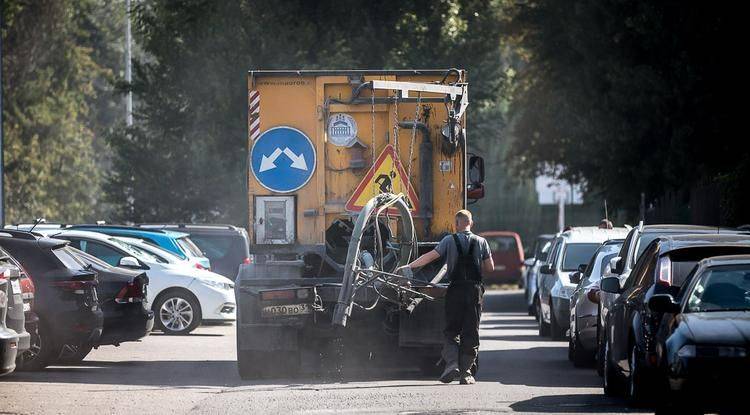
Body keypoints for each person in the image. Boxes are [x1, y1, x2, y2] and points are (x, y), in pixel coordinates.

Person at [397, 209, 494, 384]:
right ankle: (466, 373)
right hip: (474, 291)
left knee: (451, 331)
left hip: (455, 290)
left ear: (456, 224)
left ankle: (452, 364)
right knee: (471, 332)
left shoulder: (449, 240)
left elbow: (430, 257)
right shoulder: (482, 242)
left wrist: (409, 267)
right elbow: (490, 268)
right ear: (471, 223)